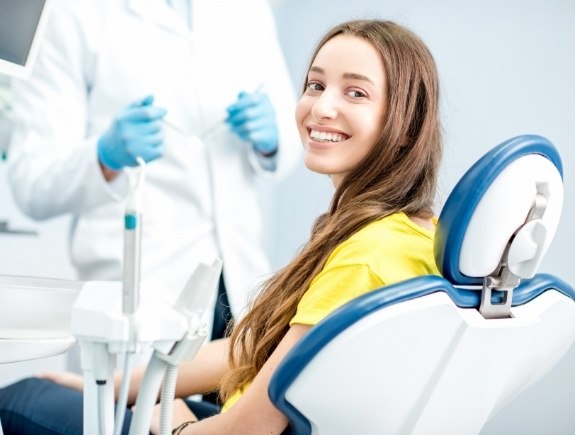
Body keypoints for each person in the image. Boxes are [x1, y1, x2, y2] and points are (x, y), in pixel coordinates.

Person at [0, 19, 443, 434]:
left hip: (229, 371)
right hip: (155, 281)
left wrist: (172, 423)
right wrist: (114, 387)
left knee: (21, 397)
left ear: (406, 122)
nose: (321, 107)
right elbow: (251, 350)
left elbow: (252, 426)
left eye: (356, 94)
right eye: (315, 84)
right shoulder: (408, 233)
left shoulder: (365, 255)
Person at [6, 0, 301, 340]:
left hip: (239, 286)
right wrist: (104, 156)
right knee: (138, 391)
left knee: (237, 384)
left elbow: (290, 141)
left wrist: (273, 139)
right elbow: (32, 181)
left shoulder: (248, 9)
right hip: (140, 291)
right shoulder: (72, 12)